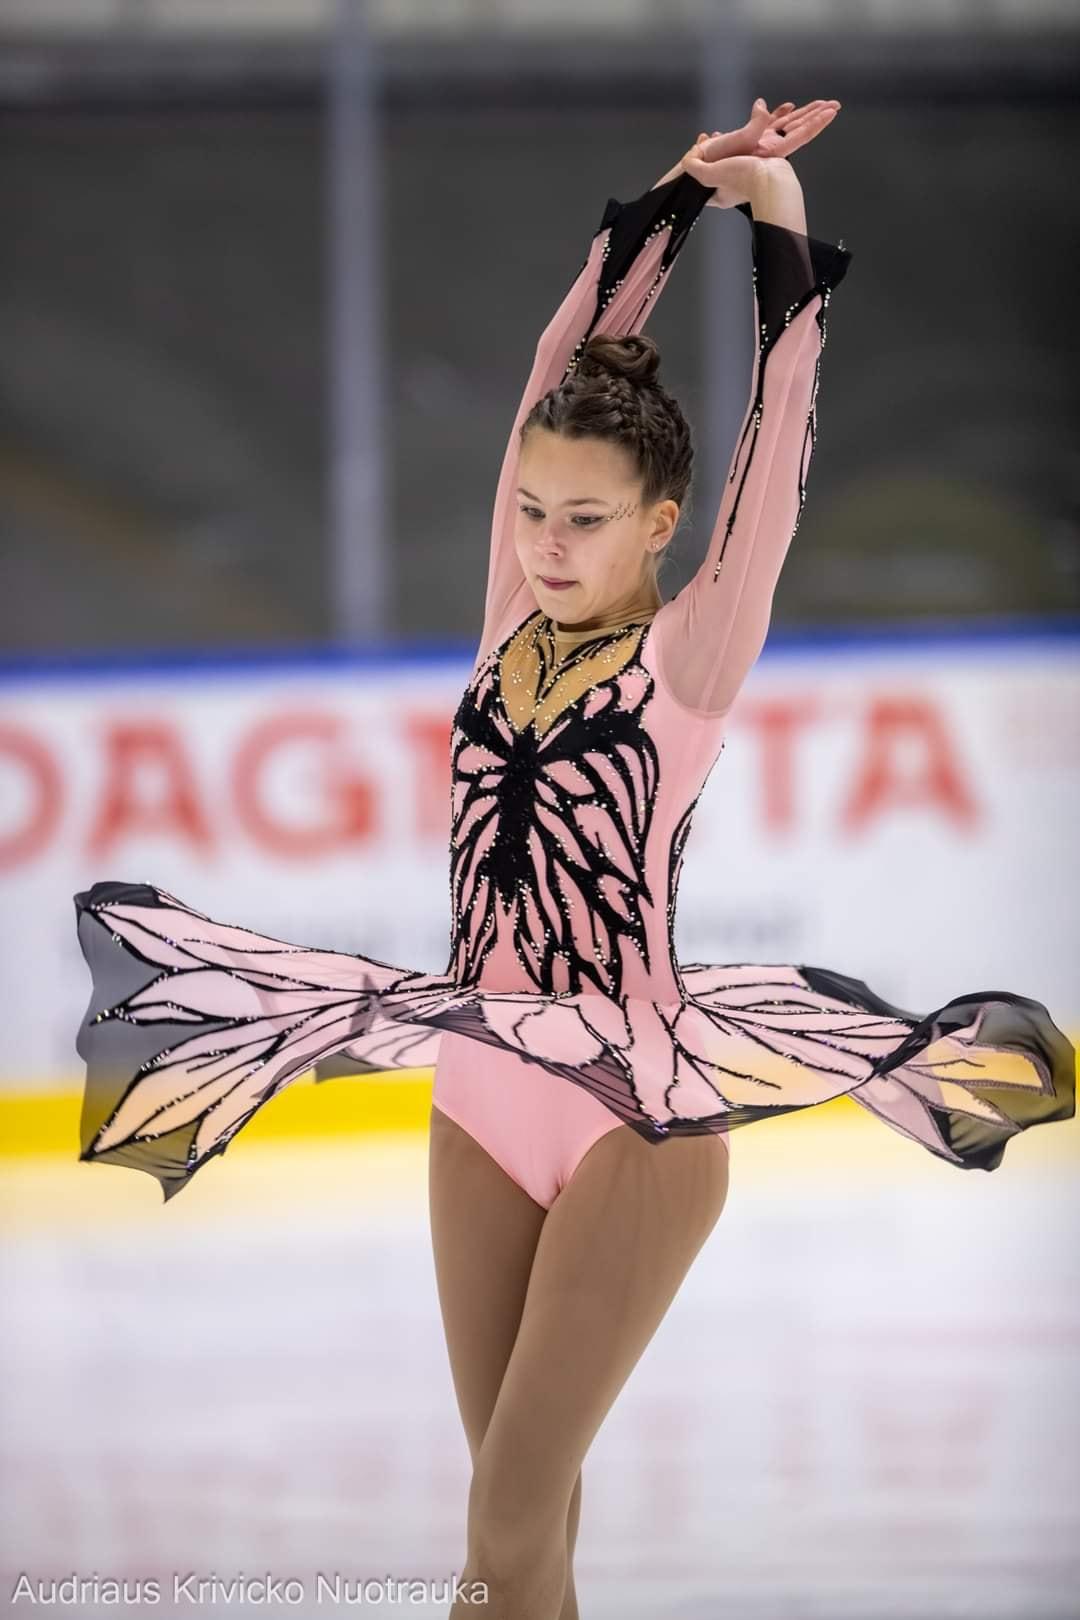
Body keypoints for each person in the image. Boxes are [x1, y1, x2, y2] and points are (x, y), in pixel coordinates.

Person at [72, 99, 1075, 1620]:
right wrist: (675, 192)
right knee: (520, 1526)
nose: (545, 541)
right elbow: (563, 362)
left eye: (585, 520)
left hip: (638, 1114)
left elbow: (776, 449)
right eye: (532, 510)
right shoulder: (507, 620)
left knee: (508, 1513)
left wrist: (778, 222)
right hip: (476, 1088)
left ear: (660, 526)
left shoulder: (692, 657)